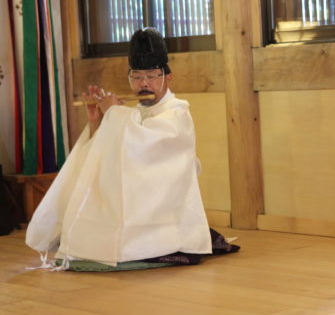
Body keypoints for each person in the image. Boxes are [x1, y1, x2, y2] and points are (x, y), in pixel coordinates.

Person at [26, 28, 235, 268]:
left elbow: (146, 146)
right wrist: (98, 122)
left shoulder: (177, 112)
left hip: (163, 209)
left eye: (152, 76)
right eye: (136, 77)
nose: (144, 83)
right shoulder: (136, 113)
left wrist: (114, 113)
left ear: (168, 77)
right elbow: (105, 154)